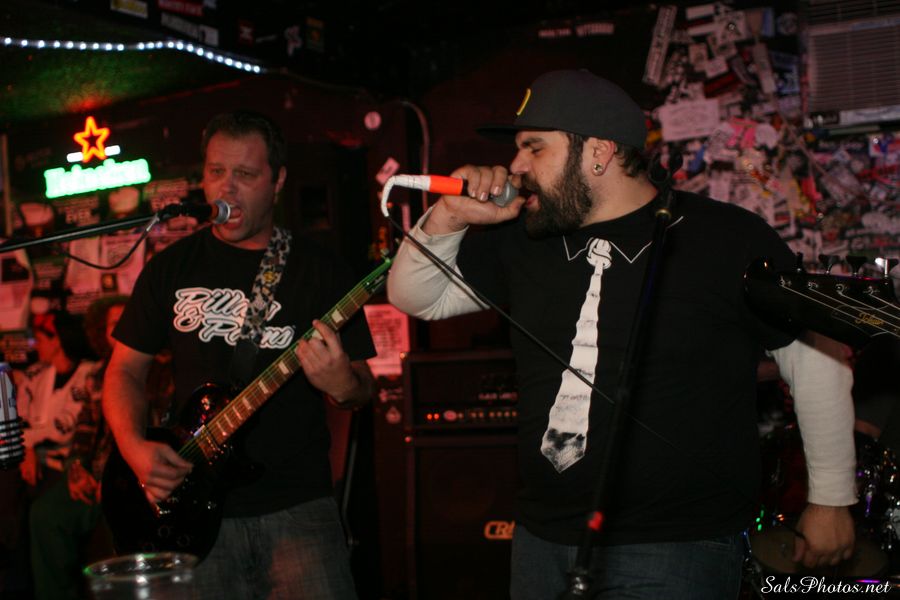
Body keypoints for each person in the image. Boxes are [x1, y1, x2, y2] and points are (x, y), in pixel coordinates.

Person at [386, 69, 857, 599]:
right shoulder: (525, 237)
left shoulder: (725, 237)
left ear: (599, 153)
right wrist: (449, 216)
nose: (515, 166)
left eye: (534, 148)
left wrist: (831, 498)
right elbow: (416, 298)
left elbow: (816, 359)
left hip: (675, 543)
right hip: (542, 536)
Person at [102, 110, 375, 599]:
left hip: (298, 508)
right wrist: (133, 447)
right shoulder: (170, 267)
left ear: (278, 181)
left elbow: (361, 387)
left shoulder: (320, 270)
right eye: (216, 172)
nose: (226, 188)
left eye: (245, 174)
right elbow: (124, 370)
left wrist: (343, 385)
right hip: (188, 509)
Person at [28, 296, 127, 600]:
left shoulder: (157, 370)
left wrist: (112, 480)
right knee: (45, 514)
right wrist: (76, 469)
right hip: (92, 475)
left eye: (127, 321)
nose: (122, 329)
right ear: (101, 332)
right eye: (113, 324)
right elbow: (84, 431)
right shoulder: (97, 375)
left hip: (130, 478)